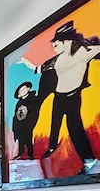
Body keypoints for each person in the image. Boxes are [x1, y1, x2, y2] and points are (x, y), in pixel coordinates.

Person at [39, 21, 100, 174]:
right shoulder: (58, 58)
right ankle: (53, 146)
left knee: (75, 129)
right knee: (55, 123)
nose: (53, 46)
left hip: (73, 97)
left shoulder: (84, 51)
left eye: (56, 42)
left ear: (65, 41)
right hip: (59, 97)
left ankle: (90, 162)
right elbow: (42, 68)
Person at [12, 81, 41, 160]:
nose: (23, 91)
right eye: (20, 91)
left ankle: (30, 155)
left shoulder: (33, 99)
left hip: (29, 125)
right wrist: (15, 128)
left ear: (28, 89)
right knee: (21, 140)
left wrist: (30, 124)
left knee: (28, 140)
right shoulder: (19, 103)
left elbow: (34, 112)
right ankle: (21, 153)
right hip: (20, 125)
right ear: (19, 95)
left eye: (24, 88)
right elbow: (16, 116)